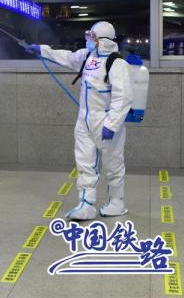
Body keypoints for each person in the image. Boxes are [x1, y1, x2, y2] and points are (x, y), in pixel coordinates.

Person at [28, 21, 133, 220]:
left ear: (103, 39)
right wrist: (42, 50)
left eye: (92, 36)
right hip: (84, 119)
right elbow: (66, 57)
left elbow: (124, 97)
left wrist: (112, 125)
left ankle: (117, 202)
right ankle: (86, 204)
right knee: (85, 163)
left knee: (113, 164)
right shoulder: (87, 56)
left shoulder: (117, 63)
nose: (89, 39)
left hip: (106, 120)